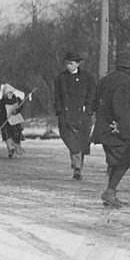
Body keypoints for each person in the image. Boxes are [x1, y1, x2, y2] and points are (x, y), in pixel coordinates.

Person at [91, 53, 130, 208]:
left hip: (104, 127)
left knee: (116, 161)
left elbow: (94, 103)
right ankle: (110, 192)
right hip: (116, 128)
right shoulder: (127, 82)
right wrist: (124, 129)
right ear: (129, 67)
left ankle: (110, 193)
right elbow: (121, 108)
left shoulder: (105, 80)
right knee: (128, 158)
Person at [53, 50, 97, 180]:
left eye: (71, 63)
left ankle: (78, 167)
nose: (68, 66)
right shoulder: (60, 78)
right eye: (66, 63)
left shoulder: (87, 77)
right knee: (69, 138)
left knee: (81, 141)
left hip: (82, 114)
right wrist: (59, 111)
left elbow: (92, 94)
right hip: (66, 115)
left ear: (77, 64)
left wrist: (89, 109)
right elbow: (57, 96)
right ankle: (76, 160)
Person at [0, 84, 26, 158]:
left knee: (16, 137)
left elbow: (20, 108)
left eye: (11, 93)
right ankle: (11, 150)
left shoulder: (17, 100)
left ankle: (17, 151)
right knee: (8, 137)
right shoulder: (1, 102)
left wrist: (16, 110)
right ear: (5, 94)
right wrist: (1, 121)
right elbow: (0, 113)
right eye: (8, 93)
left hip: (15, 122)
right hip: (6, 122)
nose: (10, 94)